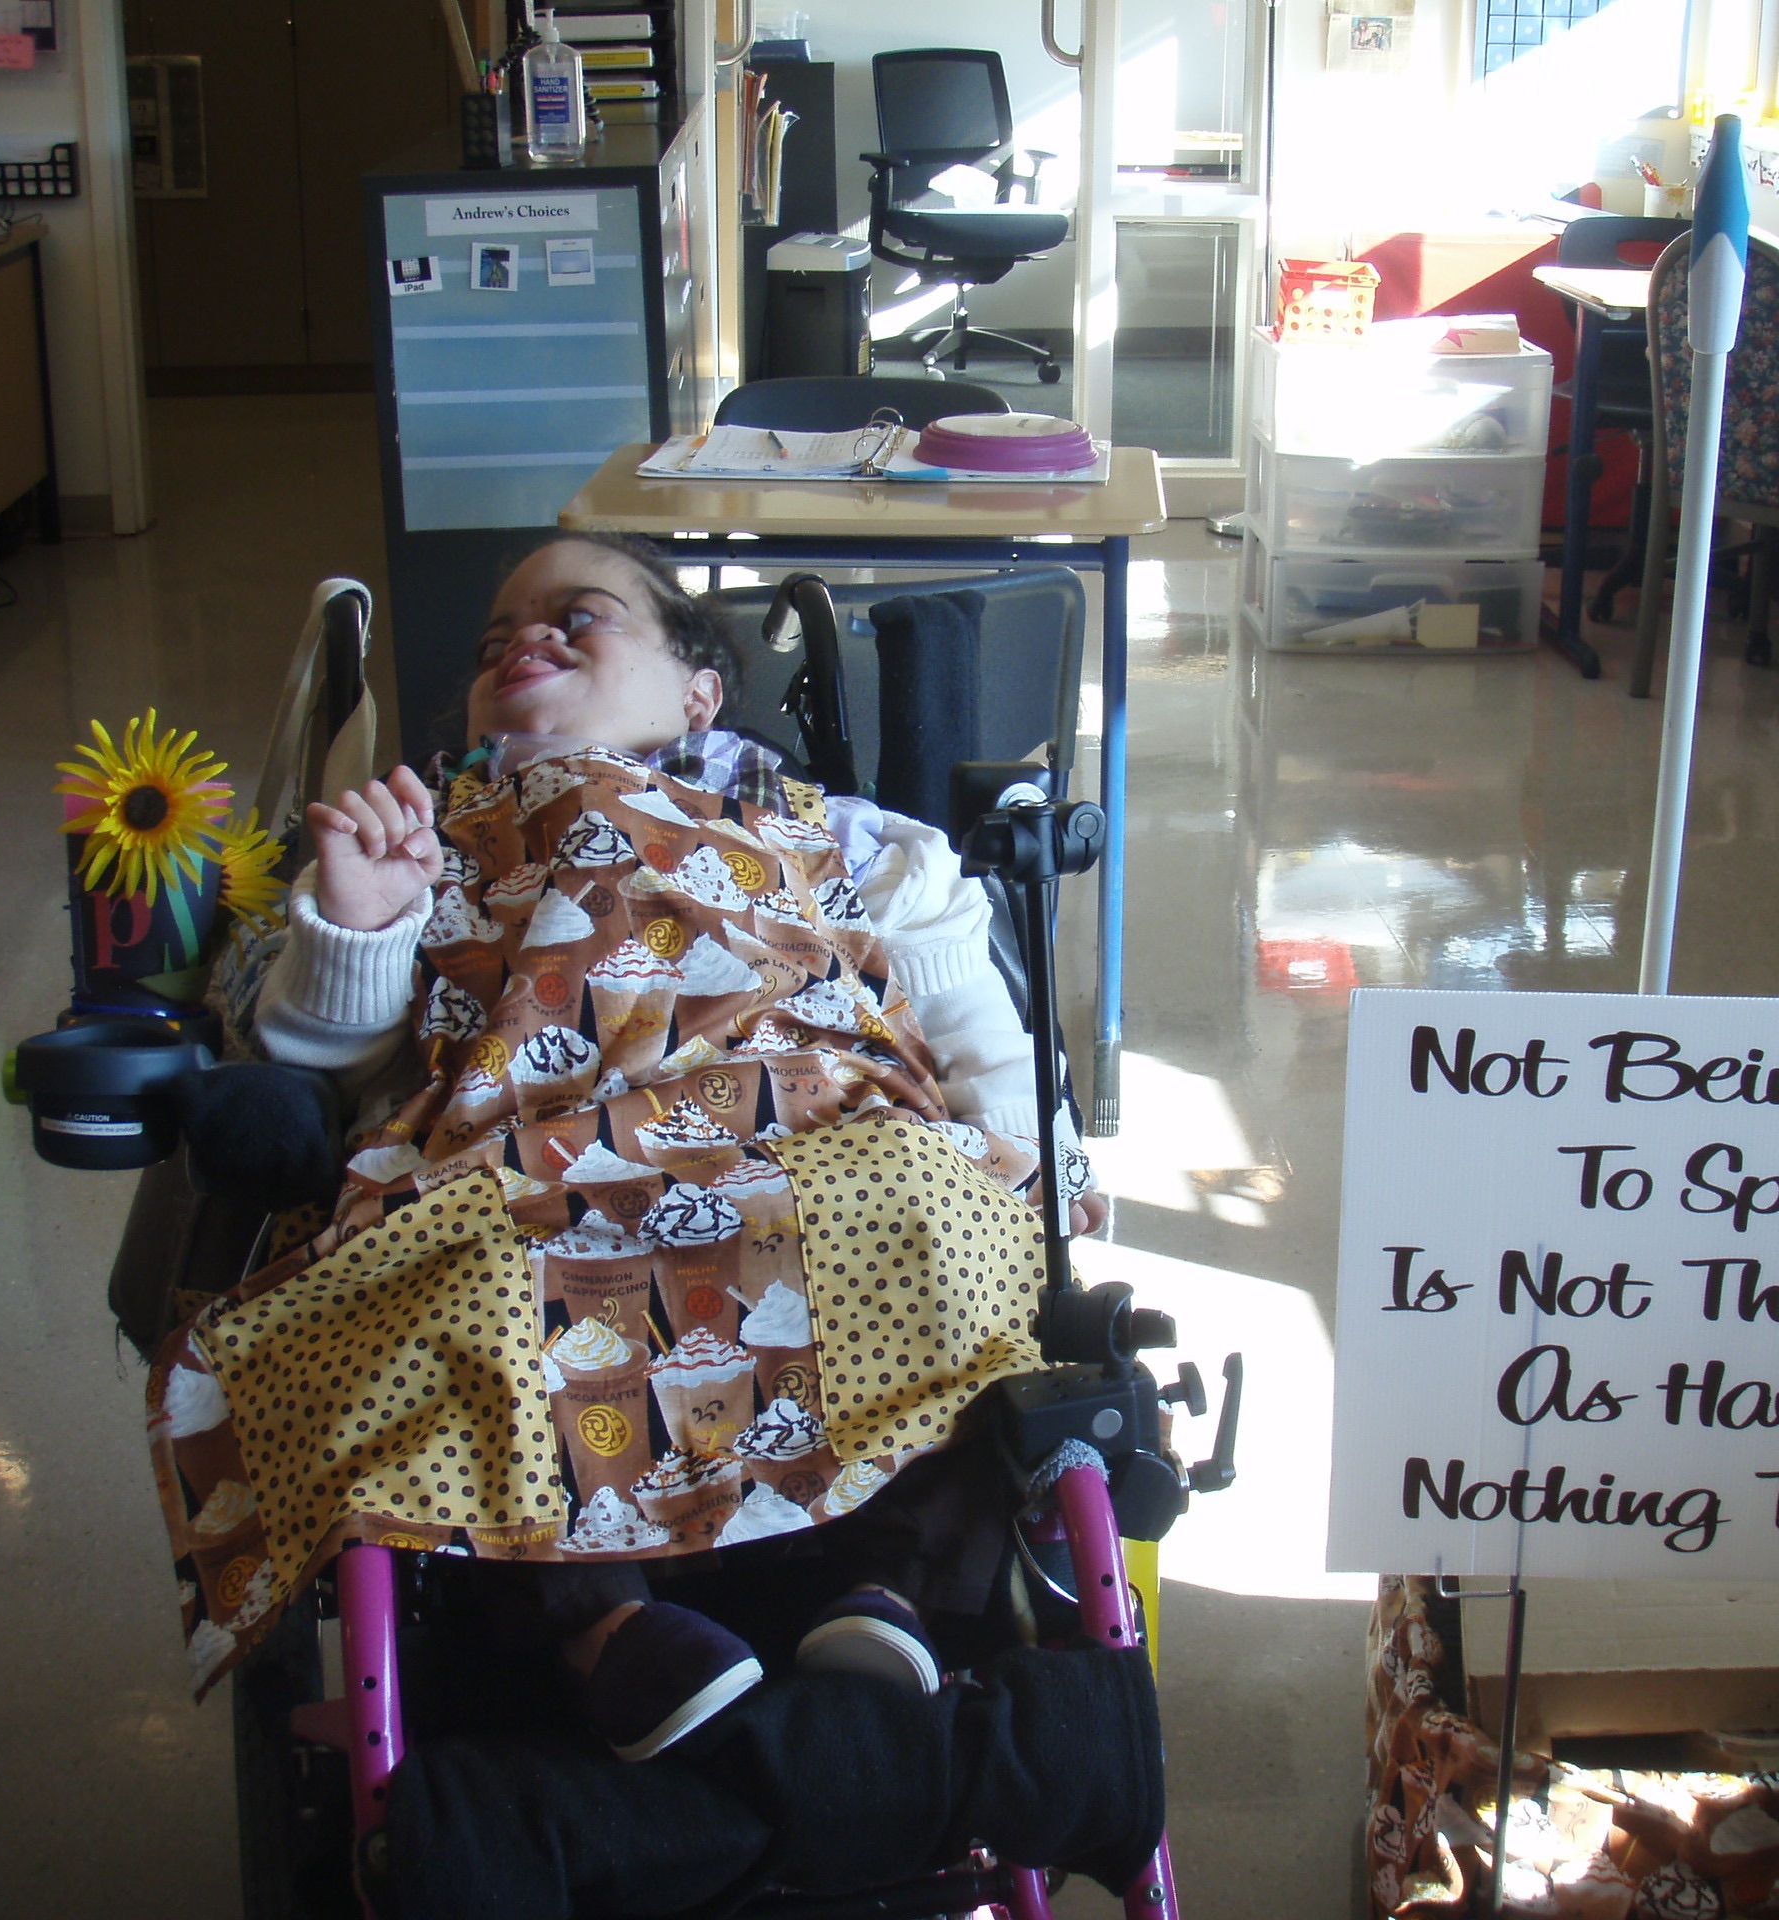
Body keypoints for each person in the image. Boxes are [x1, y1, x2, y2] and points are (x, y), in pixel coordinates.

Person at [148, 531, 1096, 1764]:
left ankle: (891, 1604)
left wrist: (1044, 1182)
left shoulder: (855, 838)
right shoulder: (420, 834)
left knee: (943, 1218)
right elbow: (336, 1069)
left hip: (815, 1154)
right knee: (461, 1279)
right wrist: (361, 928)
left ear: (699, 688)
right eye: (494, 645)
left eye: (576, 618)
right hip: (537, 1179)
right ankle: (606, 1638)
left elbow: (980, 1033)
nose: (518, 646)